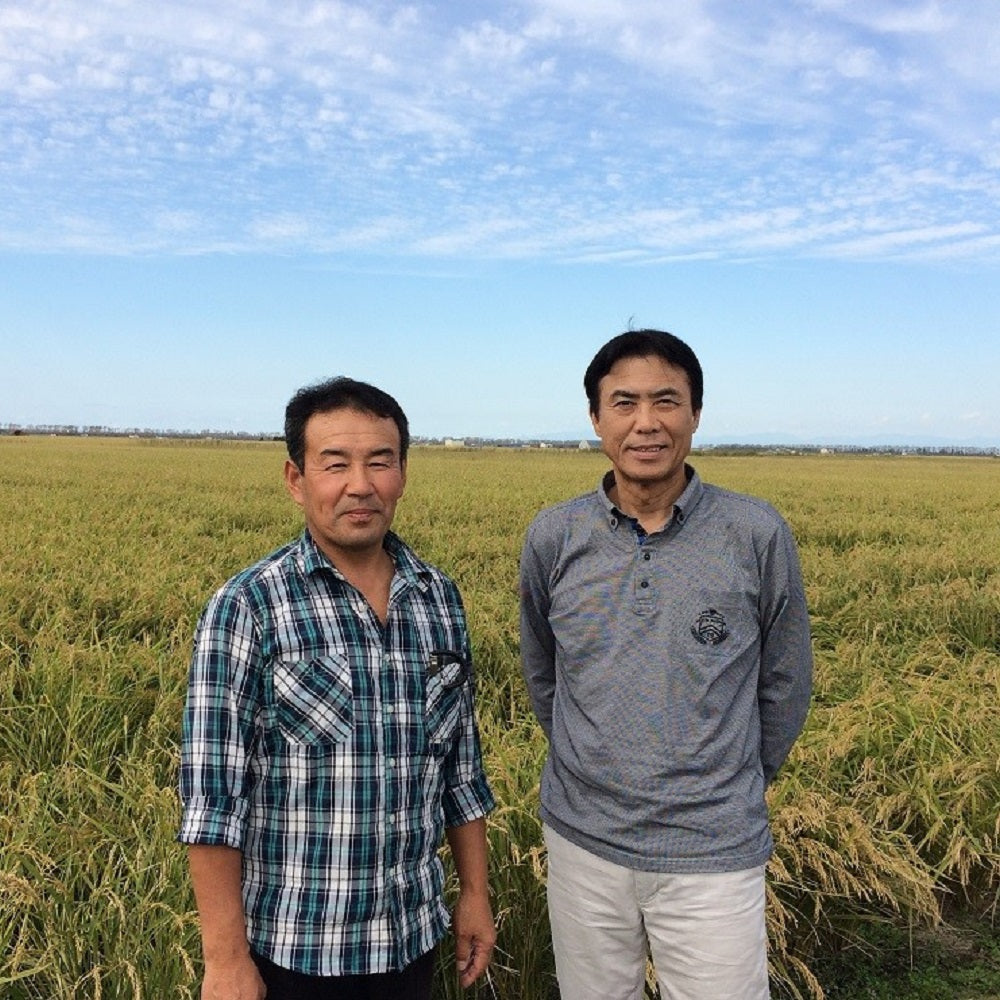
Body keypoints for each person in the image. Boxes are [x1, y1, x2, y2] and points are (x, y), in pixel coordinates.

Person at [179, 377, 495, 1000]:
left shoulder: (438, 600)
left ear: (403, 472)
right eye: (336, 464)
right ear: (296, 479)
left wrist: (474, 894)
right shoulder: (249, 606)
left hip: (412, 938)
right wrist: (225, 959)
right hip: (294, 950)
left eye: (380, 461)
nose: (360, 484)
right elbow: (212, 799)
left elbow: (461, 769)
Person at [519, 330, 812, 1000]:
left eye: (666, 402)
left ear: (695, 414)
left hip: (712, 848)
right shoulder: (554, 537)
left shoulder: (755, 534)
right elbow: (545, 674)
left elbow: (786, 682)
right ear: (597, 418)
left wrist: (724, 781)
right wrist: (590, 760)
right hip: (582, 842)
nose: (645, 422)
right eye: (623, 402)